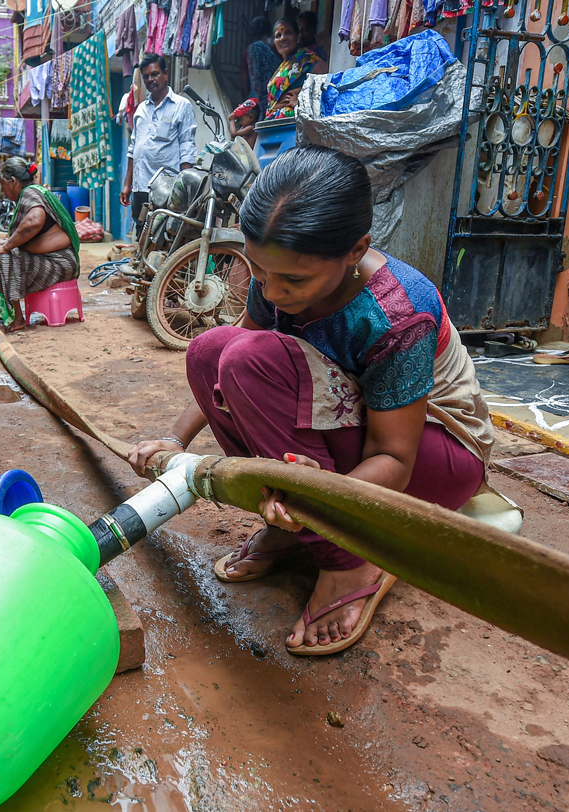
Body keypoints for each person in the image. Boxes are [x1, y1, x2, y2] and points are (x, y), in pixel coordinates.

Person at [127, 146, 494, 656]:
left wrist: (307, 494)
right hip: (350, 440)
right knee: (212, 349)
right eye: (259, 272)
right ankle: (301, 528)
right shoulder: (274, 275)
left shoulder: (397, 311)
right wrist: (173, 438)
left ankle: (349, 561)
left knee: (250, 359)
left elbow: (394, 459)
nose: (272, 291)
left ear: (354, 250)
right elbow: (222, 366)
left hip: (435, 458)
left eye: (294, 280)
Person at [0, 157, 80, 333]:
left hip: (59, 263)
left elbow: (34, 221)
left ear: (12, 182)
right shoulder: (35, 192)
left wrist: (6, 247)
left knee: (3, 258)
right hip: (57, 260)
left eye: (2, 185)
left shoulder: (30, 193)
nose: (2, 191)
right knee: (2, 255)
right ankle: (8, 310)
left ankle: (17, 318)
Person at [120, 54, 197, 236]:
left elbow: (187, 147)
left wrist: (185, 189)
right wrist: (127, 185)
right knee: (141, 234)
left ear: (165, 74)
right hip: (140, 187)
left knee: (165, 237)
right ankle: (143, 265)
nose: (150, 80)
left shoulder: (181, 106)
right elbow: (133, 149)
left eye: (154, 74)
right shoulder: (140, 110)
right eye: (146, 76)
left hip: (167, 188)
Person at [264, 18, 328, 120]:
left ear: (298, 37)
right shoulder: (282, 67)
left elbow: (327, 83)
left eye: (288, 33)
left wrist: (300, 100)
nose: (282, 38)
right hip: (274, 123)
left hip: (294, 122)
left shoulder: (307, 58)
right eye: (278, 35)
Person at [243, 15, 282, 105]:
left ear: (253, 34)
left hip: (257, 103)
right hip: (279, 99)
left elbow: (245, 84)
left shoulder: (250, 51)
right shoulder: (281, 46)